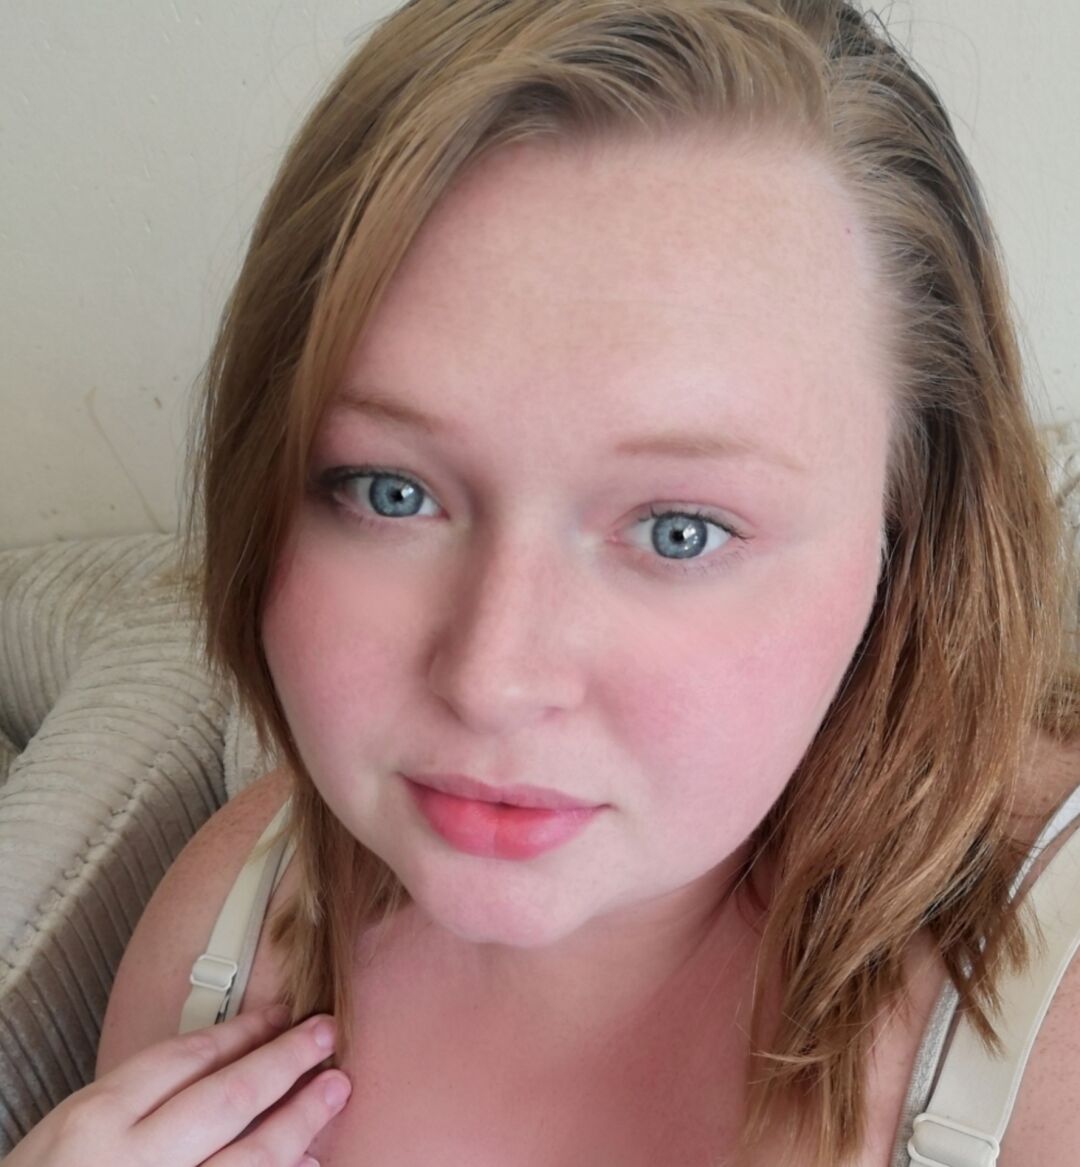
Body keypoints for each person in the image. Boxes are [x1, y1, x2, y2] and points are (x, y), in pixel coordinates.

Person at [9, 1, 1080, 1164]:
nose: (493, 680)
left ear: (911, 541)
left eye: (678, 530)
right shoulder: (224, 942)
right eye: (390, 492)